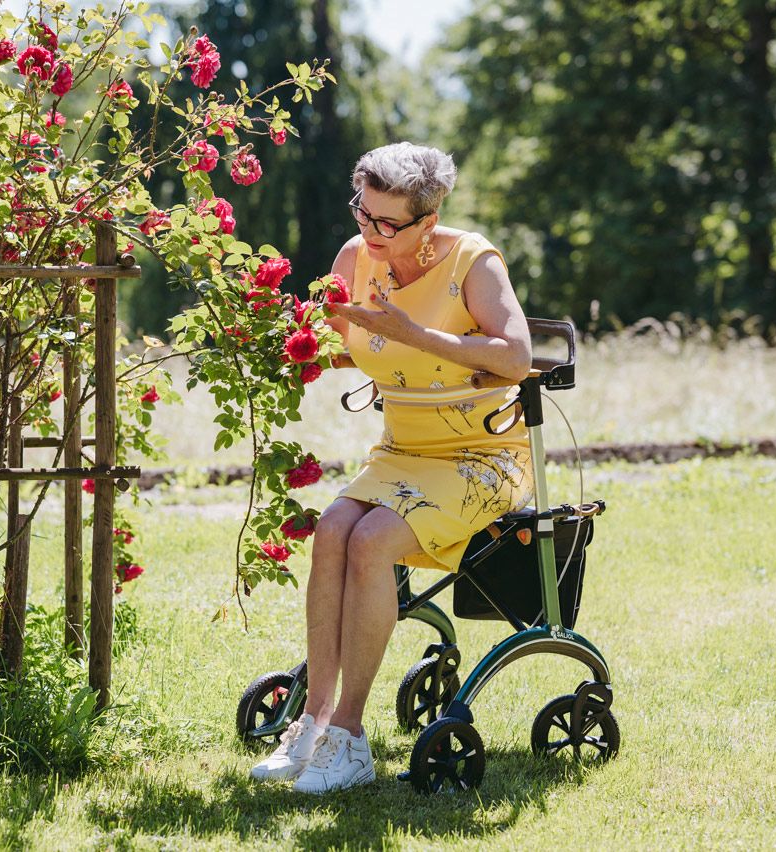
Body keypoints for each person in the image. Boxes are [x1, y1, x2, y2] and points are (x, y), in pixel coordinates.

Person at [250, 142, 536, 793]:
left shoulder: (473, 261)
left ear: (428, 221)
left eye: (387, 222)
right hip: (403, 451)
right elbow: (340, 347)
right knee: (331, 531)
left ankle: (350, 740)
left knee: (372, 542)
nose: (370, 232)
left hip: (480, 457)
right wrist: (279, 342)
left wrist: (418, 336)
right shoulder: (354, 259)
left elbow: (517, 358)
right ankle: (314, 724)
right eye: (363, 213)